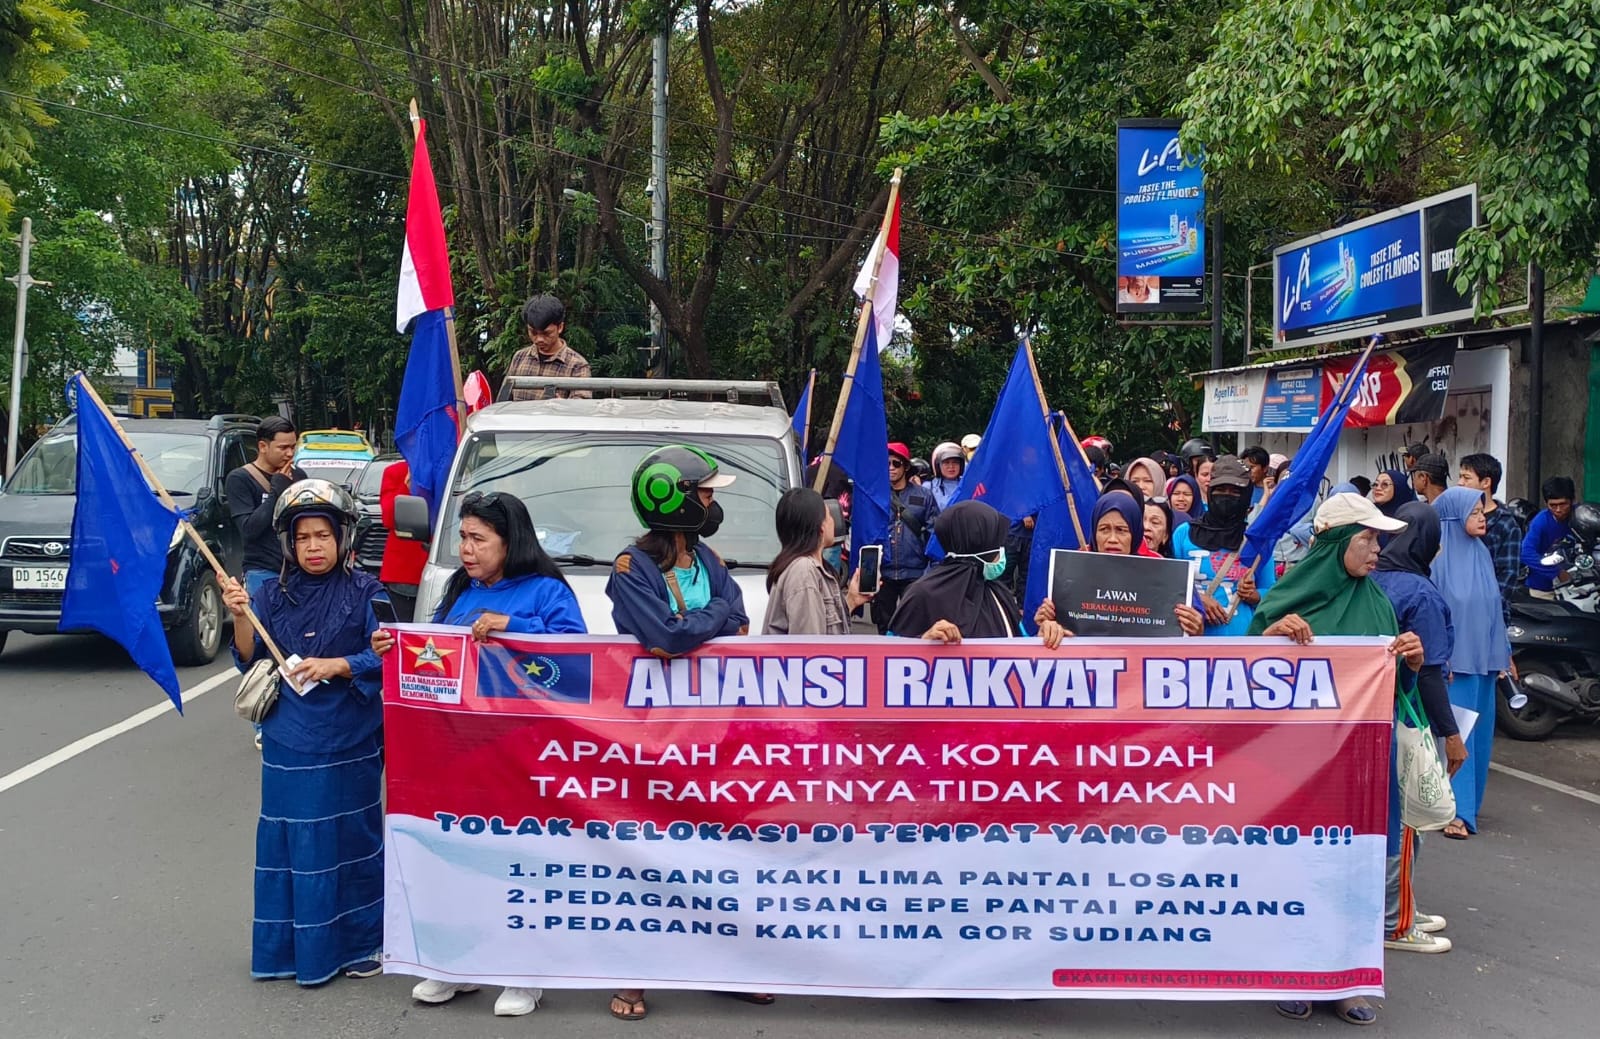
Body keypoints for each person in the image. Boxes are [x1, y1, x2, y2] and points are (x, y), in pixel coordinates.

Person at [371, 489, 585, 1015]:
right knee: (459, 858)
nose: (466, 549)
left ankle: (522, 973)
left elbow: (578, 660)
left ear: (510, 543)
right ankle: (454, 965)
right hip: (459, 749)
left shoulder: (546, 592)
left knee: (519, 862)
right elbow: (434, 655)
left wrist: (515, 626)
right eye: (462, 537)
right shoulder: (458, 587)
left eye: (478, 539)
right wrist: (393, 648)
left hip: (521, 750)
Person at [1248, 492, 1423, 1026]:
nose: (1377, 550)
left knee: (1356, 871)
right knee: (1299, 868)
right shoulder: (1287, 598)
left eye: (1378, 539)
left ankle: (1348, 981)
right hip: (1298, 767)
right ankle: (1294, 970)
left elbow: (1392, 687)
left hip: (1362, 767)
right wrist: (1274, 638)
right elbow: (1244, 677)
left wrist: (1409, 661)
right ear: (1338, 542)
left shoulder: (1378, 602)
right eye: (1368, 538)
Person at [604, 446, 754, 1021]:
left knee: (722, 852)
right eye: (707, 493)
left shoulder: (708, 558)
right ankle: (635, 974)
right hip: (652, 731)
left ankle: (730, 966)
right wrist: (709, 620)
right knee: (650, 855)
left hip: (715, 730)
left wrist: (704, 622)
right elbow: (663, 637)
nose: (714, 502)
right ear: (677, 499)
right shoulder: (630, 567)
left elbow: (740, 620)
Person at [220, 480, 385, 986]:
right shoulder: (270, 594)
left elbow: (387, 655)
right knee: (292, 843)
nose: (314, 546)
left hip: (353, 736)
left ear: (342, 539)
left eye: (323, 535)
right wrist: (238, 616)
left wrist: (340, 664)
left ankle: (360, 947)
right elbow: (249, 657)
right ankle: (287, 952)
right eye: (303, 538)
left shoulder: (368, 592)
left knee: (353, 839)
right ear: (290, 545)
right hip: (288, 737)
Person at [1369, 502, 1465, 956]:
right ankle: (1396, 919)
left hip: (1367, 717)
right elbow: (1427, 672)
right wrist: (1451, 735)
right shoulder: (1420, 593)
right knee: (1407, 820)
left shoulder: (1370, 581)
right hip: (1406, 717)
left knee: (1387, 817)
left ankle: (1398, 905)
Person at [1434, 486, 1513, 840]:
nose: (1482, 517)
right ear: (1453, 516)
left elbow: (1494, 609)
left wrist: (1504, 656)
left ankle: (1469, 807)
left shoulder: (1481, 553)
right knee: (1457, 737)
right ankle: (1457, 812)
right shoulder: (1436, 559)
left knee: (1479, 739)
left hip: (1484, 662)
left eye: (1482, 511)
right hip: (1453, 666)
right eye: (1474, 512)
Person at [889, 500, 1066, 646]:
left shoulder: (998, 591)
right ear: (978, 545)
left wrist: (1042, 637)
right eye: (996, 544)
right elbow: (887, 656)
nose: (1001, 551)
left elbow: (1018, 645)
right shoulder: (922, 594)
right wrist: (924, 642)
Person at [1032, 491, 1203, 635]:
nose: (1112, 539)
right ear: (1094, 532)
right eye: (1104, 529)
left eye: (1121, 530)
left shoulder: (1164, 571)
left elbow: (1191, 633)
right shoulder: (1070, 571)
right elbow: (1049, 630)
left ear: (1135, 533)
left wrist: (1195, 627)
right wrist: (1046, 624)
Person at [1170, 456, 1275, 635]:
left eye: (1235, 492)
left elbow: (1271, 591)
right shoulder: (1184, 533)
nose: (1227, 496)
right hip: (1192, 640)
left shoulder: (1256, 540)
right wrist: (1197, 599)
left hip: (1242, 641)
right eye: (1220, 489)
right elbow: (1170, 586)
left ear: (1247, 495)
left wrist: (1255, 595)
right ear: (1210, 491)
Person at [762, 488, 871, 635]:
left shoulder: (808, 567)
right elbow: (810, 649)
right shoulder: (803, 572)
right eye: (829, 516)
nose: (834, 521)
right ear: (820, 526)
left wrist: (851, 601)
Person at [226, 417, 309, 599]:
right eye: (282, 448)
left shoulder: (298, 475)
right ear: (263, 447)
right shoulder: (240, 479)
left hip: (299, 570)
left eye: (293, 447)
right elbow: (248, 530)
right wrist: (276, 492)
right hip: (262, 571)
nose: (289, 454)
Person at [873, 442, 940, 634]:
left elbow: (934, 531)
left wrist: (934, 568)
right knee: (883, 625)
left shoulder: (924, 495)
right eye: (887, 464)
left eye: (896, 464)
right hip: (883, 572)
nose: (891, 468)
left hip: (915, 572)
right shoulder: (875, 495)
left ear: (906, 467)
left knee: (914, 623)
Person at [1458, 453, 1523, 619]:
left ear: (1486, 482)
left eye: (1466, 478)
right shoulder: (1456, 518)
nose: (1460, 483)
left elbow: (1508, 574)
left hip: (1490, 613)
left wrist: (1488, 608)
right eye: (1460, 477)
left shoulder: (1506, 524)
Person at [505, 294, 593, 401]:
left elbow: (582, 408)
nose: (539, 339)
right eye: (533, 332)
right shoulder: (519, 357)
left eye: (546, 333)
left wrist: (563, 406)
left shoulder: (577, 366)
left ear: (560, 327)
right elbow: (505, 401)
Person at [377, 459, 427, 621]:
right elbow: (390, 518)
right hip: (406, 574)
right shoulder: (395, 472)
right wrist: (408, 485)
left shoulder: (447, 468)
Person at [1520, 476, 1575, 600]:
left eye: (1563, 504)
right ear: (1546, 504)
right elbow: (1526, 553)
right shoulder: (1541, 521)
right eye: (1553, 505)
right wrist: (1557, 573)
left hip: (1577, 585)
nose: (1558, 510)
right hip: (1543, 588)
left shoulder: (1581, 517)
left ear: (1572, 501)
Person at [926, 441, 966, 509]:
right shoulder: (929, 487)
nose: (951, 466)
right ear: (938, 465)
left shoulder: (968, 485)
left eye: (955, 462)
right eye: (946, 463)